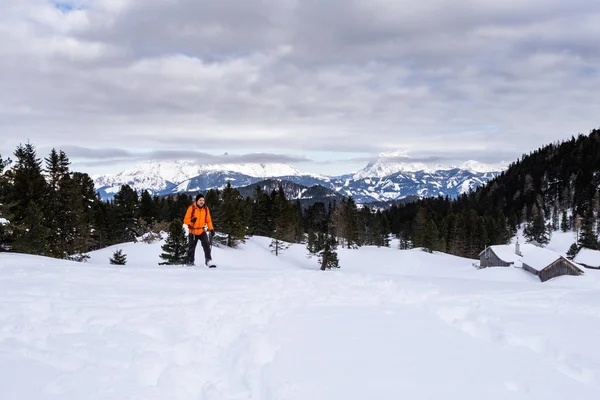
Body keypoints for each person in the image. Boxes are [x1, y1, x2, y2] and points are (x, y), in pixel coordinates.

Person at [183, 193, 215, 266]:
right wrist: (191, 221)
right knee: (191, 248)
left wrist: (211, 229)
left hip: (201, 230)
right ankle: (190, 262)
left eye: (203, 200)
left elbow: (208, 220)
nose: (202, 202)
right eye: (200, 200)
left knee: (207, 245)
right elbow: (185, 220)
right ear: (197, 201)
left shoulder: (206, 209)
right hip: (193, 231)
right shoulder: (192, 208)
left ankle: (208, 261)